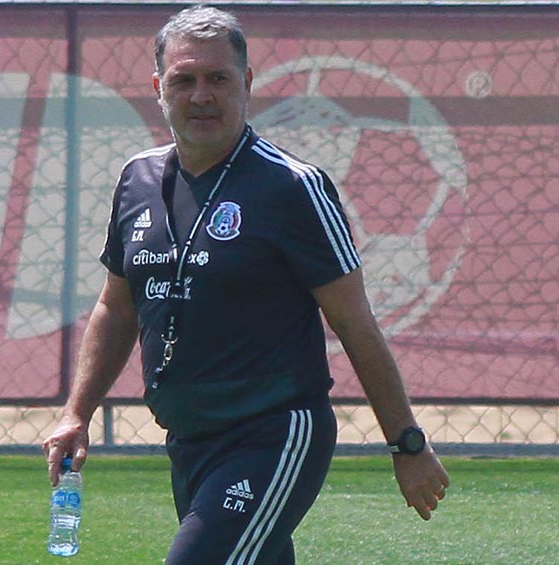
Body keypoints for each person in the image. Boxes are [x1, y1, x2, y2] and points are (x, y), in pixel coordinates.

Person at [43, 5, 450, 563]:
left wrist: (407, 443)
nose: (201, 95)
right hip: (188, 441)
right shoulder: (137, 179)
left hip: (274, 434)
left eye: (218, 79)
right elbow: (117, 308)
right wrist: (76, 413)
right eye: (184, 80)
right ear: (160, 87)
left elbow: (354, 322)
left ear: (248, 83)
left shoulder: (292, 186)